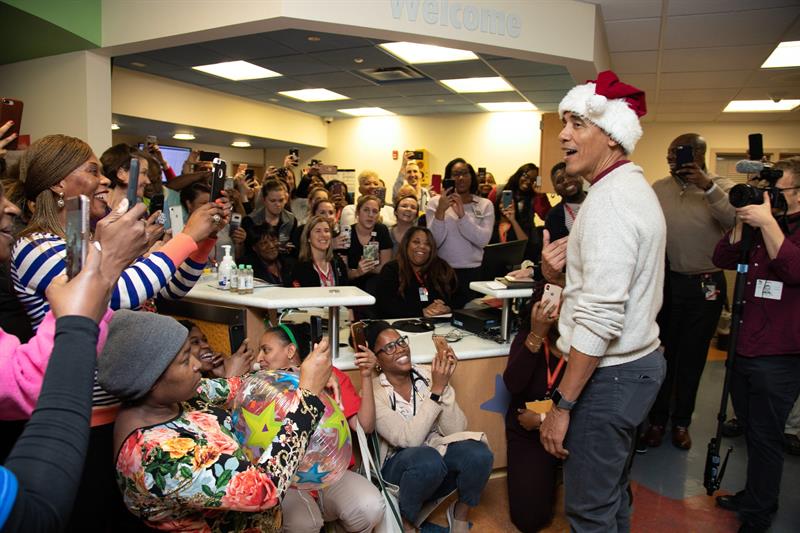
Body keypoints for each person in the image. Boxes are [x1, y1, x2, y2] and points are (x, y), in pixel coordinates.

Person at [538, 71, 666, 532]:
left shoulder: (611, 202)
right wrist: (561, 274)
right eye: (564, 123)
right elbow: (609, 282)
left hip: (608, 376)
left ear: (611, 135)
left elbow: (599, 317)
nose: (563, 135)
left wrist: (562, 407)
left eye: (577, 124)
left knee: (589, 511)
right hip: (634, 366)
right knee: (611, 499)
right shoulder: (626, 188)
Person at [98, 311, 333, 532]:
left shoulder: (176, 398)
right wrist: (307, 395)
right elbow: (263, 489)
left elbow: (241, 387)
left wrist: (295, 376)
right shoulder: (156, 456)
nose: (197, 364)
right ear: (150, 379)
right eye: (184, 360)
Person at [0, 206, 149, 532]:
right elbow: (34, 511)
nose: (10, 205)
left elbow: (18, 378)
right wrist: (106, 268)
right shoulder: (35, 247)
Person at [11, 135, 223, 330]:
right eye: (93, 171)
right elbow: (121, 293)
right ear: (59, 183)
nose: (105, 180)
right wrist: (188, 236)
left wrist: (206, 237)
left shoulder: (91, 239)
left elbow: (173, 288)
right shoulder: (35, 247)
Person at [712, 157, 800, 533]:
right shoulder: (767, 224)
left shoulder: (784, 229)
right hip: (744, 347)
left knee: (766, 437)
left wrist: (767, 225)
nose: (768, 198)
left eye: (776, 192)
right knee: (750, 430)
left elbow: (795, 270)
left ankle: (760, 512)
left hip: (780, 354)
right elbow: (722, 257)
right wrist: (741, 221)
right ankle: (754, 495)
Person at [643, 133, 737, 451]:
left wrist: (706, 186)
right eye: (670, 154)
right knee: (662, 355)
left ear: (699, 154)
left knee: (693, 358)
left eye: (680, 153)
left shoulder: (720, 186)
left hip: (705, 285)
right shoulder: (659, 189)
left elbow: (733, 221)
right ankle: (657, 420)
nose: (673, 159)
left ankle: (681, 422)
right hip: (667, 283)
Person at [254, 323, 385, 533]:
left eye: (266, 350)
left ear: (290, 351)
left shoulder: (330, 376)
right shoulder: (261, 387)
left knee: (370, 505)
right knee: (305, 523)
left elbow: (365, 427)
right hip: (287, 480)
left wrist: (367, 376)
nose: (259, 358)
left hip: (329, 473)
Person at [366, 321, 493, 533]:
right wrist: (436, 391)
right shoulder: (374, 393)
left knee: (479, 453)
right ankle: (407, 523)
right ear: (377, 359)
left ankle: (459, 515)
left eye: (401, 341)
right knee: (427, 459)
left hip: (435, 458)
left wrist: (443, 389)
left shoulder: (428, 375)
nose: (400, 349)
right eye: (389, 347)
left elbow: (456, 430)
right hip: (399, 470)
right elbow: (408, 440)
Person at [504, 286, 563, 533]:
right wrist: (537, 336)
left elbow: (590, 399)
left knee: (599, 500)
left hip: (569, 425)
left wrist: (543, 417)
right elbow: (513, 384)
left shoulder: (583, 344)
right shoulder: (528, 336)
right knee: (529, 519)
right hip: (526, 430)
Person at [426, 158, 493, 306]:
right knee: (440, 316)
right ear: (448, 178)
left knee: (469, 317)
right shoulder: (435, 203)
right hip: (442, 272)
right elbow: (434, 241)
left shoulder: (484, 204)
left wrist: (463, 216)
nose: (461, 178)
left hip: (473, 272)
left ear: (472, 176)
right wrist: (441, 211)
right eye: (455, 174)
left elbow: (482, 241)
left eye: (464, 173)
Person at [375, 227, 458, 319]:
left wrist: (447, 308)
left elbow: (458, 297)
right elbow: (387, 305)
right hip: (401, 325)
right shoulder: (391, 269)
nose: (422, 246)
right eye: (416, 242)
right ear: (406, 245)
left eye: (427, 244)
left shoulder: (442, 268)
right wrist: (421, 312)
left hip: (439, 324)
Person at [344, 195, 393, 291]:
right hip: (352, 286)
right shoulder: (347, 233)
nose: (370, 215)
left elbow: (385, 267)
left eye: (375, 211)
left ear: (378, 215)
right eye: (366, 210)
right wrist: (358, 272)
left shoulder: (382, 230)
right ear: (358, 212)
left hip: (376, 285)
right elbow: (343, 273)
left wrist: (369, 269)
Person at [178, 319, 256, 378]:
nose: (206, 345)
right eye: (195, 342)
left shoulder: (204, 383)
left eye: (205, 340)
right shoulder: (183, 387)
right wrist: (232, 376)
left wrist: (222, 376)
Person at [242, 179, 297, 258]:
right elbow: (248, 251)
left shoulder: (291, 220)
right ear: (264, 200)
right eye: (273, 201)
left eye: (281, 200)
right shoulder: (250, 221)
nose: (278, 204)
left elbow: (294, 248)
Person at [288, 215, 348, 287]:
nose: (323, 235)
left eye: (326, 231)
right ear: (308, 238)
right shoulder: (300, 268)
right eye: (318, 231)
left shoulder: (338, 262)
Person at [100, 143, 152, 211]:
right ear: (121, 174)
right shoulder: (97, 214)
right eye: (143, 173)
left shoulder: (139, 212)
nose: (148, 181)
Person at [544, 162, 586, 242]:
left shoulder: (598, 200)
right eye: (559, 181)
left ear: (580, 177)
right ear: (555, 190)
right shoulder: (553, 216)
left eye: (570, 176)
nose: (566, 181)